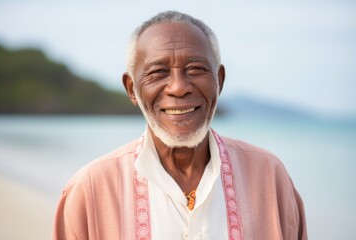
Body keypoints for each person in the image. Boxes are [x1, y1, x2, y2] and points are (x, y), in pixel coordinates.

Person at [53, 10, 307, 240]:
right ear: (132, 89)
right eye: (158, 72)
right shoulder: (90, 190)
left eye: (195, 69)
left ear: (219, 79)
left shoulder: (269, 177)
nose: (178, 87)